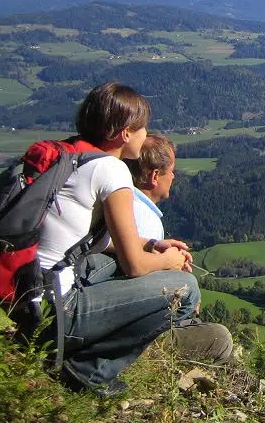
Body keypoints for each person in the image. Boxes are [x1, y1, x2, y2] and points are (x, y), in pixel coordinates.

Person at [37, 82, 199, 396]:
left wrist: (151, 244)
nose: (145, 134)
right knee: (186, 287)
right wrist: (170, 261)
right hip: (56, 313)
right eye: (142, 129)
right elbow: (135, 267)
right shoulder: (112, 171)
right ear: (125, 133)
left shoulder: (70, 155)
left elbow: (96, 243)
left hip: (26, 296)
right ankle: (88, 370)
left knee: (108, 262)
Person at [125, 134, 234, 363]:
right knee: (220, 338)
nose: (174, 176)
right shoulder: (144, 218)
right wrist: (183, 294)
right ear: (155, 176)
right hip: (137, 331)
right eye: (171, 170)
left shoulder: (122, 203)